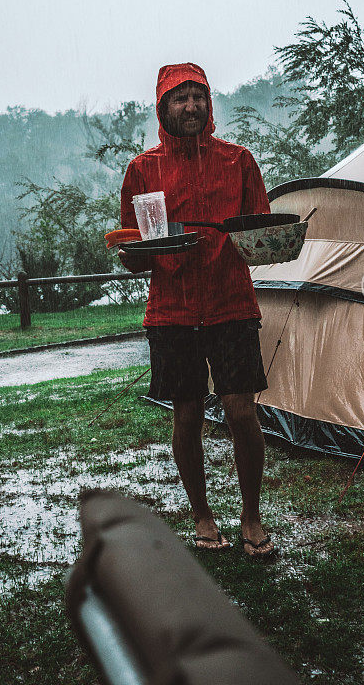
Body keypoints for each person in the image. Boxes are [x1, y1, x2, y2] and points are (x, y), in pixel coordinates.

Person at [119, 62, 275, 558]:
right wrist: (134, 255)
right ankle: (203, 517)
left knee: (240, 411)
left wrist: (270, 242)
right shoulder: (144, 170)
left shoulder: (238, 161)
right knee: (186, 414)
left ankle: (251, 516)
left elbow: (260, 233)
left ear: (209, 105)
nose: (190, 106)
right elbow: (133, 247)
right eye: (179, 98)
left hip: (231, 302)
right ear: (163, 108)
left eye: (198, 97)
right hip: (172, 310)